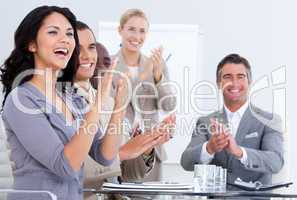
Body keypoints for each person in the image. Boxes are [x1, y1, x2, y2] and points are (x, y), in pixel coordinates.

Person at [0, 6, 126, 200]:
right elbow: (66, 166)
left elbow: (105, 155)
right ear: (32, 44)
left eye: (69, 34)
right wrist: (98, 103)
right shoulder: (21, 99)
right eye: (53, 32)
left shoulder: (71, 96)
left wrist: (119, 105)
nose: (65, 39)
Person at [181, 53, 284, 187]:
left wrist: (239, 152)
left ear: (249, 82)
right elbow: (186, 162)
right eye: (227, 77)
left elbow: (275, 162)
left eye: (240, 77)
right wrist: (209, 148)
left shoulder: (269, 120)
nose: (234, 83)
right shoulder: (205, 122)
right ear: (219, 83)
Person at [113, 8, 176, 182]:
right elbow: (112, 105)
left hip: (151, 149)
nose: (137, 36)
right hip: (120, 148)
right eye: (131, 29)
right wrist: (142, 76)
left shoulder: (157, 65)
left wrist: (158, 76)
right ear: (120, 30)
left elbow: (168, 105)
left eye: (142, 31)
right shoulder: (108, 65)